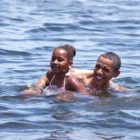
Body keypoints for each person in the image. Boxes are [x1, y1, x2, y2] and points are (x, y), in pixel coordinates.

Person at [22, 44, 88, 96]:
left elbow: (86, 96)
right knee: (26, 93)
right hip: (53, 102)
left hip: (65, 104)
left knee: (60, 97)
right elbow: (45, 81)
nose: (55, 62)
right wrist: (37, 89)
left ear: (70, 64)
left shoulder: (70, 80)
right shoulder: (50, 74)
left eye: (60, 60)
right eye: (53, 59)